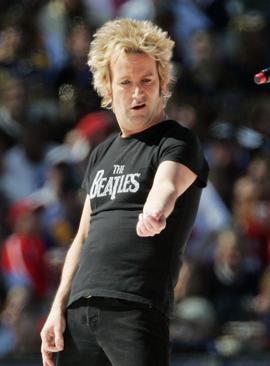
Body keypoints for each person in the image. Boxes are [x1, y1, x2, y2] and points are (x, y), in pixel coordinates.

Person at [39, 18, 209, 366]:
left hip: (135, 307)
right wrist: (57, 307)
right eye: (126, 82)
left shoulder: (176, 140)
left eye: (147, 80)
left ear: (163, 84)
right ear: (108, 88)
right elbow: (83, 237)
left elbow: (167, 184)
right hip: (80, 312)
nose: (137, 92)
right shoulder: (100, 152)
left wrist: (155, 210)